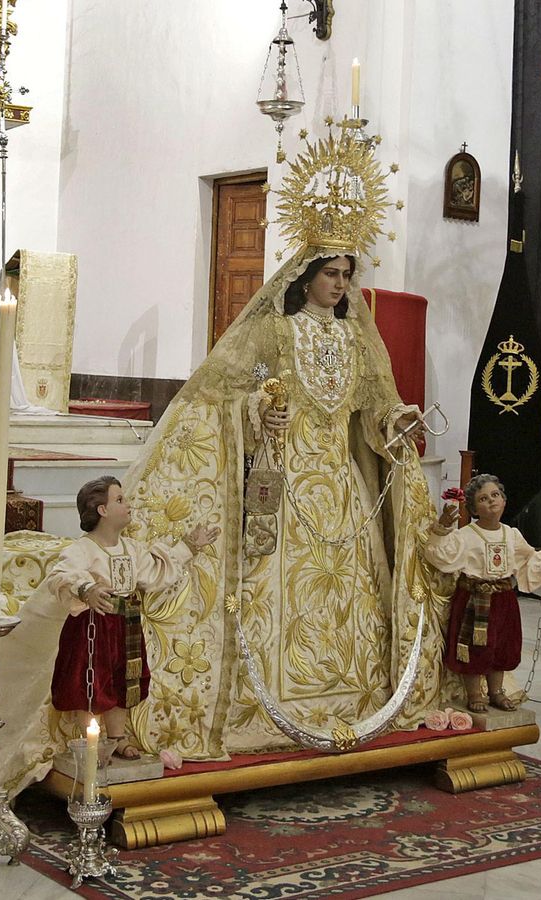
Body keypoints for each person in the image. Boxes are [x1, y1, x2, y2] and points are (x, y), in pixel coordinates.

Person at [119, 245, 455, 761]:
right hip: (285, 483)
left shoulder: (357, 338)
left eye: (347, 275)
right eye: (330, 274)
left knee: (351, 592)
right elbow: (225, 395)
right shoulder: (274, 331)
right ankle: (261, 700)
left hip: (343, 492)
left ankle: (352, 699)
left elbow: (372, 411)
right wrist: (257, 413)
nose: (340, 285)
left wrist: (395, 421)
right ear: (304, 276)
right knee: (269, 589)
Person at [49, 476, 218, 763]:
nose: (128, 505)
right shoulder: (84, 549)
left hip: (125, 623)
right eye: (119, 500)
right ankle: (91, 742)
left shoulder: (132, 549)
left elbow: (155, 572)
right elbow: (60, 575)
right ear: (101, 510)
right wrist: (87, 589)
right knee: (91, 682)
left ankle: (117, 737)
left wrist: (190, 545)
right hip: (93, 625)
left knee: (125, 680)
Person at [426, 474, 541, 712]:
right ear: (474, 508)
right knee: (475, 648)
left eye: (495, 495)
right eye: (483, 499)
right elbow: (440, 554)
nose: (492, 501)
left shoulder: (511, 535)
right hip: (474, 600)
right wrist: (442, 528)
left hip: (503, 600)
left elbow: (529, 558)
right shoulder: (467, 535)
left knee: (502, 645)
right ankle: (475, 693)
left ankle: (496, 691)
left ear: (504, 500)